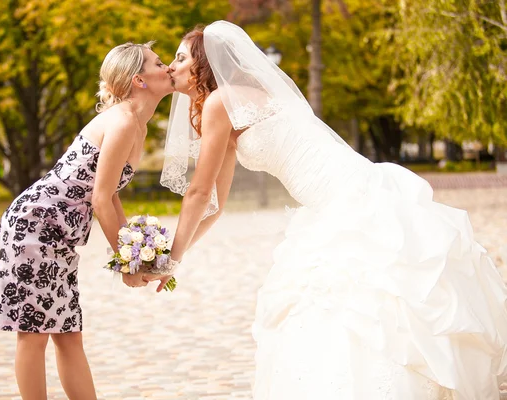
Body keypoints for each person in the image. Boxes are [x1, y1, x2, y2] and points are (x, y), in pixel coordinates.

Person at [158, 21, 507, 399]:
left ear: (205, 65)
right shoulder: (238, 100)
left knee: (355, 302)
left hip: (344, 202)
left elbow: (197, 193)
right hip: (352, 190)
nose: (171, 67)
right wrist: (175, 256)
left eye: (180, 59)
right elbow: (215, 206)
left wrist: (170, 259)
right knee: (376, 300)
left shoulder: (218, 102)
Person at [0, 41, 173, 399]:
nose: (168, 67)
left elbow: (110, 194)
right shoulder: (122, 121)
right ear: (139, 79)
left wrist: (138, 255)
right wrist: (127, 262)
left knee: (68, 333)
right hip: (33, 228)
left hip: (58, 237)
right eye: (159, 62)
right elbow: (101, 200)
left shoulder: (136, 124)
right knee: (33, 334)